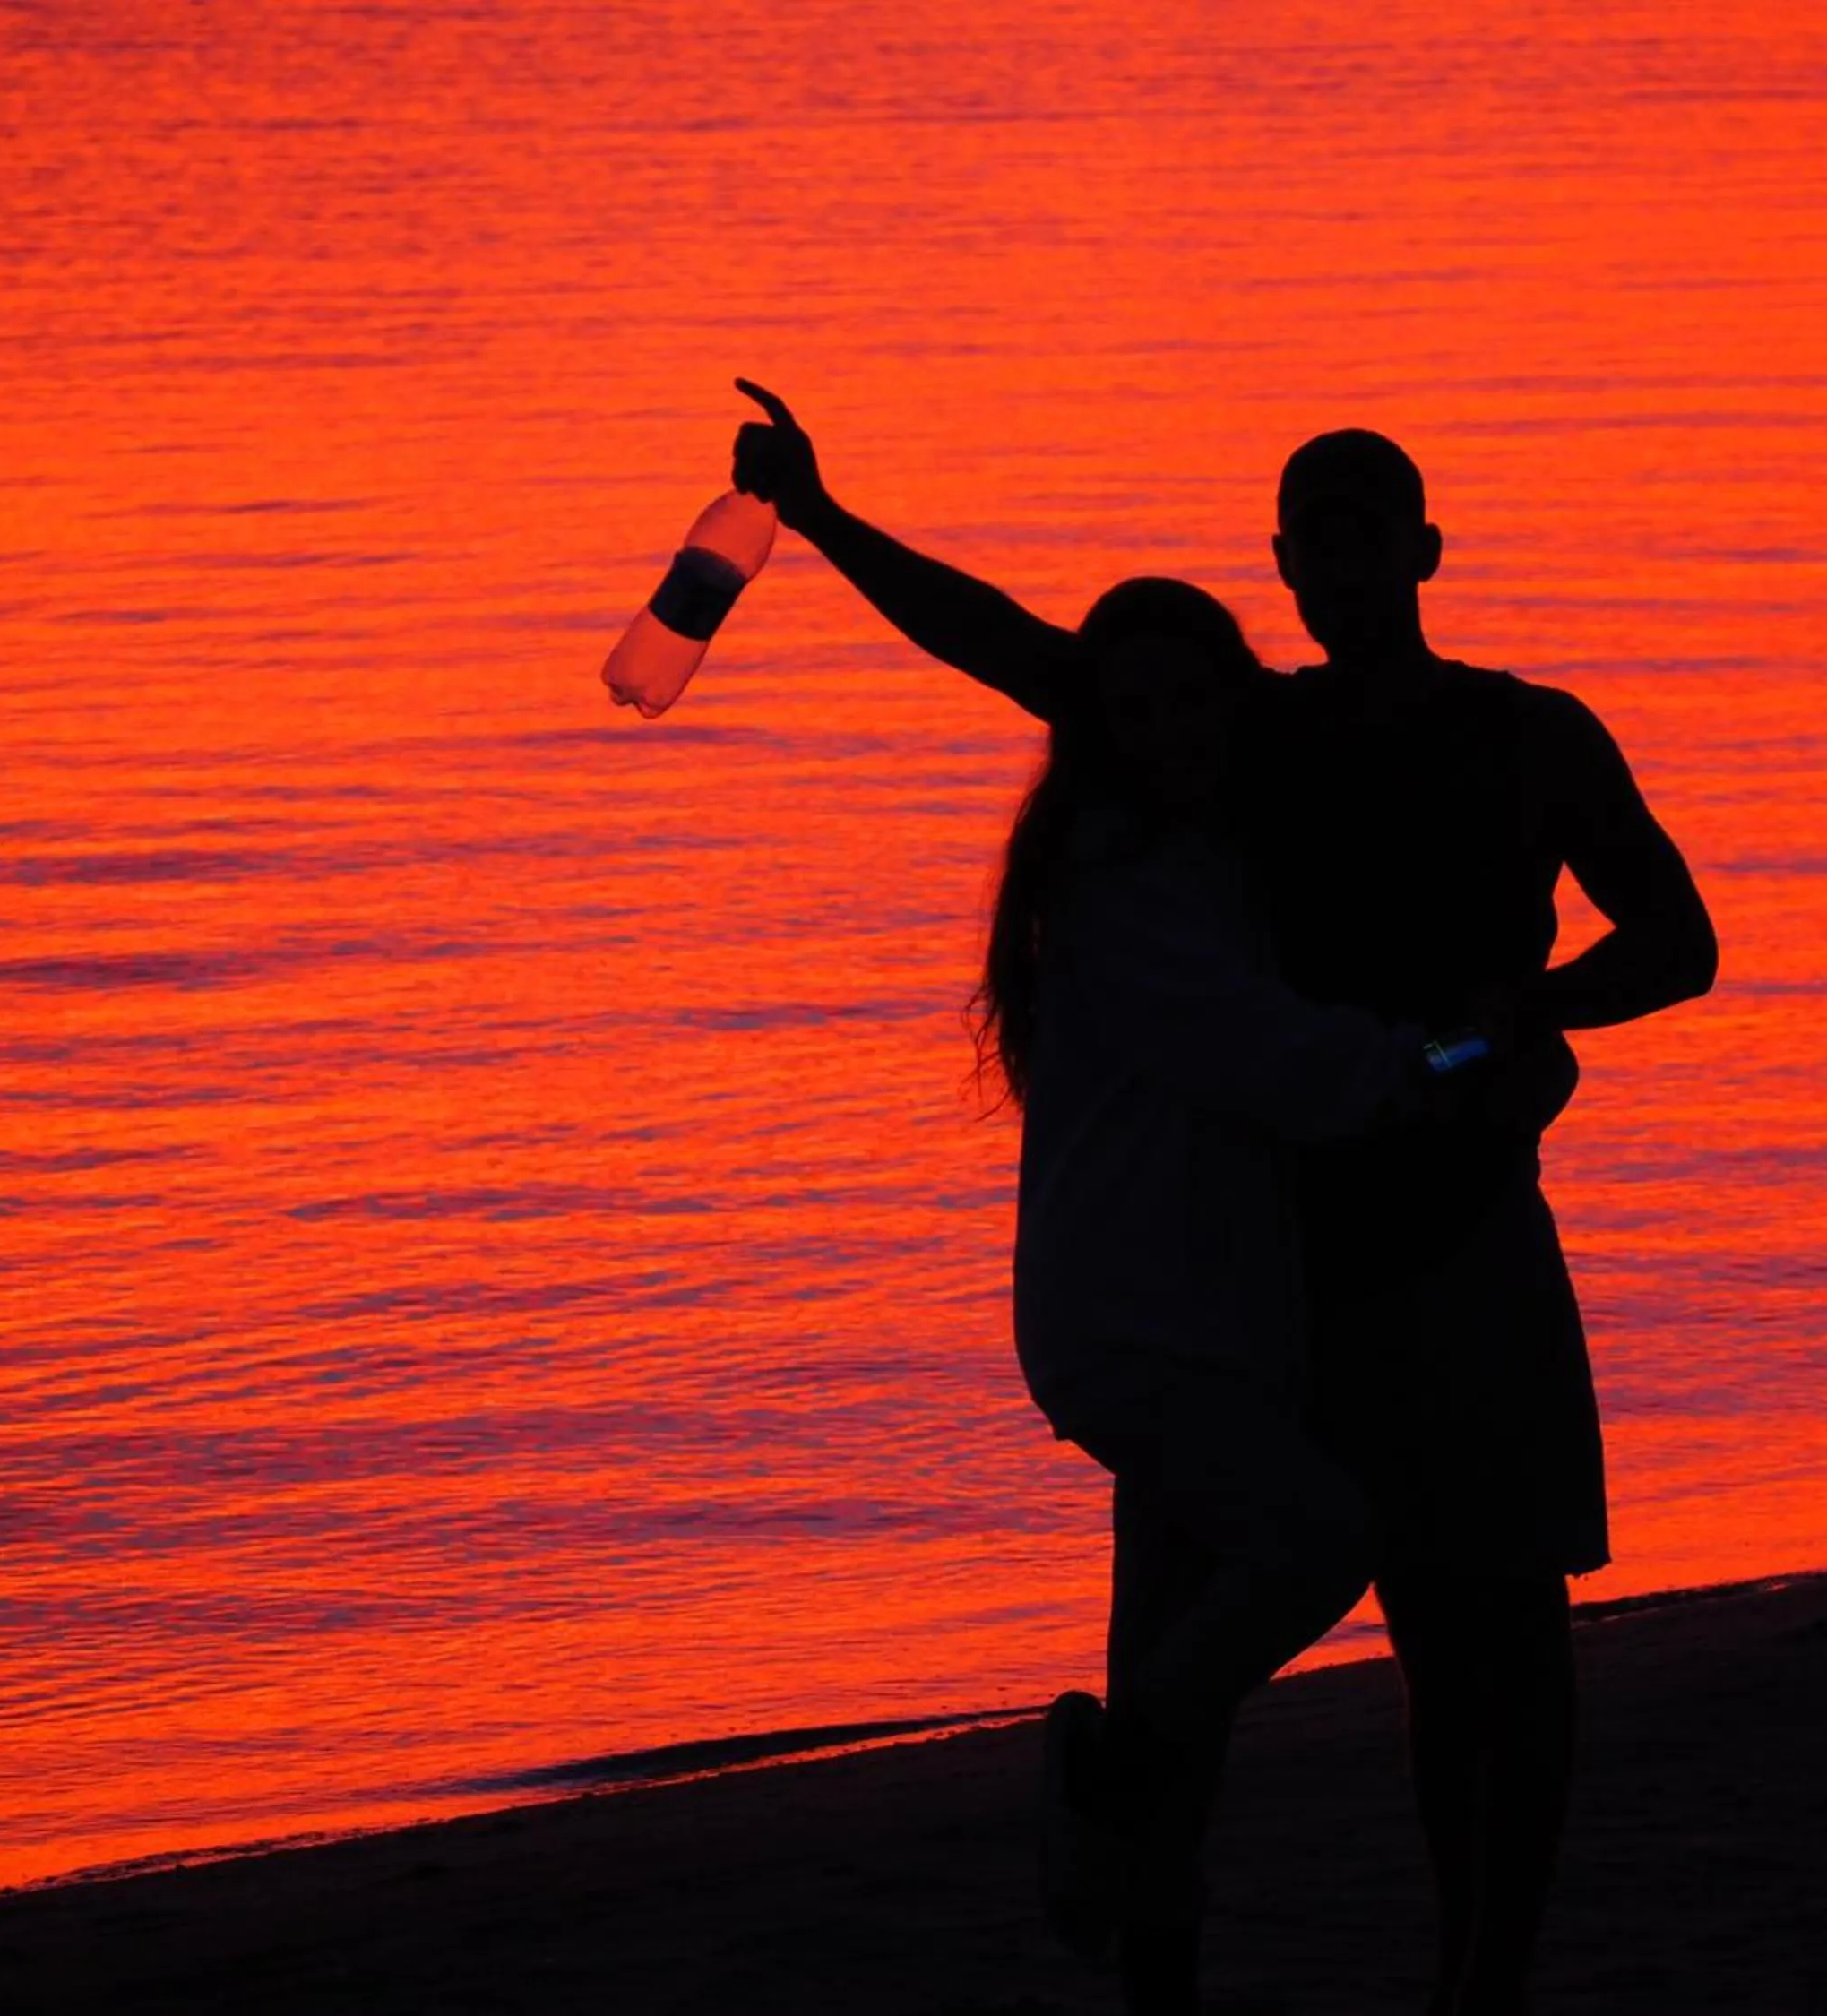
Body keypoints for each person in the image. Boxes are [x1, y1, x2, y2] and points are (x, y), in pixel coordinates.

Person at [732, 382, 1718, 2016]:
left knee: (1506, 1636)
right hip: (1287, 1267)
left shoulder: (1529, 733)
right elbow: (1026, 654)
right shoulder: (1262, 738)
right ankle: (1206, 1969)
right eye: (1312, 537)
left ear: (1426, 547)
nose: (1341, 560)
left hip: (1467, 1238)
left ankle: (1486, 1982)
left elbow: (1675, 943)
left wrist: (1527, 1019)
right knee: (1336, 1641)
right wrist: (828, 524)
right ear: (1284, 563)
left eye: (1367, 529)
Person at [942, 572, 1521, 2013]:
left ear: (1231, 702)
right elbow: (1282, 1057)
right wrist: (1458, 1059)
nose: (1168, 727)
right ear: (1104, 733)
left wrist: (825, 518)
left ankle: (1153, 1946)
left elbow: (1009, 643)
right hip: (1139, 1324)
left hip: (1205, 1314)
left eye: (1191, 697)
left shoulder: (1198, 848)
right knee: (1318, 1541)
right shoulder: (1123, 884)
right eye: (1132, 710)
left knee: (1176, 1656)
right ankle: (1107, 1764)